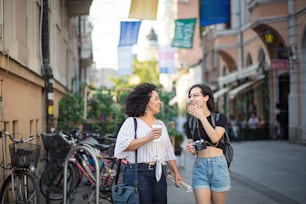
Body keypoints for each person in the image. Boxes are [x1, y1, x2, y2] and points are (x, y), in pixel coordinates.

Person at [114, 83, 183, 204]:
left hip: (159, 172)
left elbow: (168, 151)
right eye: (156, 99)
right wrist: (147, 138)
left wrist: (176, 173)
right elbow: (122, 147)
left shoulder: (160, 124)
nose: (160, 102)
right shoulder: (132, 122)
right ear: (146, 103)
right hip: (137, 172)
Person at [185, 84, 230, 204]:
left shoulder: (220, 118)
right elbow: (192, 148)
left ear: (206, 97)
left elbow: (215, 138)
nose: (192, 98)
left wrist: (201, 117)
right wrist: (191, 149)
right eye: (190, 96)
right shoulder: (189, 123)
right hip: (200, 167)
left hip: (218, 166)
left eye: (196, 95)